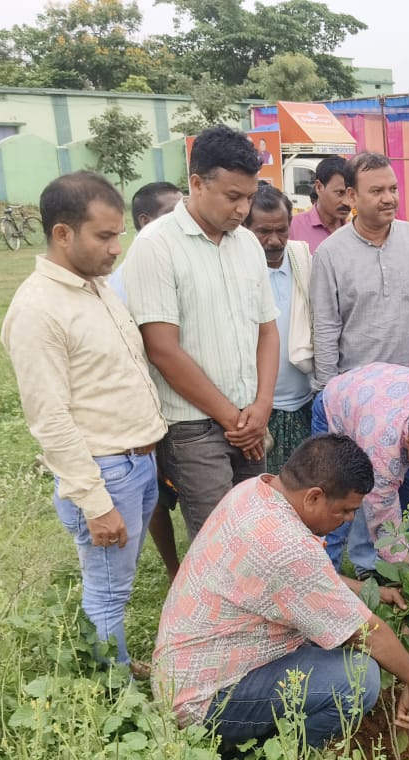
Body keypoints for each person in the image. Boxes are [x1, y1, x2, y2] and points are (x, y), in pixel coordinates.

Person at [152, 434, 409, 749]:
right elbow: (369, 634)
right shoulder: (290, 550)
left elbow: (297, 579)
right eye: (345, 510)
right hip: (202, 703)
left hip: (181, 671)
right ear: (313, 497)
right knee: (359, 678)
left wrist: (365, 590)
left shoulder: (255, 491)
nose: (350, 519)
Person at [0, 171, 167, 672]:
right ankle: (112, 696)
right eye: (104, 236)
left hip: (137, 465)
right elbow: (49, 419)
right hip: (104, 474)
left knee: (119, 584)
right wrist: (95, 503)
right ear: (63, 234)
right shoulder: (38, 309)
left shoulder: (95, 288)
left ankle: (114, 665)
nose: (116, 248)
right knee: (108, 593)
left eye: (119, 235)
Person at [125, 126, 280, 542]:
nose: (243, 209)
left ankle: (251, 609)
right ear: (196, 183)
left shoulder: (247, 244)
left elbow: (267, 329)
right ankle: (211, 609)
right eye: (233, 197)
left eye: (249, 197)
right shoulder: (156, 246)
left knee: (254, 530)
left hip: (251, 417)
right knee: (218, 542)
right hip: (194, 428)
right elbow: (162, 349)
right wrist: (234, 419)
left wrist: (262, 406)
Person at [312, 355, 409, 592]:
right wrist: (404, 579)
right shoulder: (383, 454)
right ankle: (324, 586)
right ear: (408, 443)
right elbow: (384, 524)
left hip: (382, 392)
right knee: (334, 507)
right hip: (339, 403)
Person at [309, 151, 409, 394]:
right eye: (377, 191)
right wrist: (327, 391)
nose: (389, 198)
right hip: (357, 391)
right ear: (352, 196)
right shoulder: (330, 253)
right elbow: (325, 329)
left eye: (393, 189)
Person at [103, 181, 184, 579]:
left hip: (187, 399)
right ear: (146, 222)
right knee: (157, 496)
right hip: (149, 409)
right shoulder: (120, 283)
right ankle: (173, 567)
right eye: (173, 213)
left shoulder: (181, 265)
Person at [243, 186, 316, 473]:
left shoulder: (304, 261)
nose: (274, 241)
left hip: (303, 402)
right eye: (263, 232)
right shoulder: (238, 271)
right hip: (256, 410)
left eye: (282, 231)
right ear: (245, 228)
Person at [288, 156, 350, 252]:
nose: (347, 202)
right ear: (319, 187)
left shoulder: (355, 231)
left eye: (351, 194)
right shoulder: (293, 228)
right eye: (339, 193)